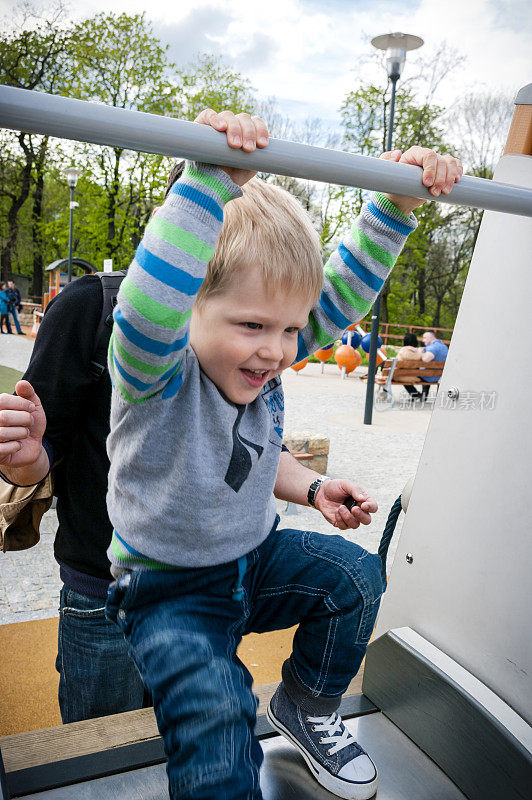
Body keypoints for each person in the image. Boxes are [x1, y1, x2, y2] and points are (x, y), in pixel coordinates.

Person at [99, 108, 462, 800]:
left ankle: (305, 704)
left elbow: (344, 296)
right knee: (216, 720)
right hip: (172, 593)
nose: (276, 349)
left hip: (253, 561)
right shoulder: (156, 374)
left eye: (291, 329)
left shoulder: (265, 362)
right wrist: (209, 182)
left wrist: (393, 204)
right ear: (192, 307)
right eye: (253, 325)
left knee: (355, 579)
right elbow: (146, 311)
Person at [0, 117, 386, 729]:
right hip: (108, 589)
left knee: (198, 737)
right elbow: (46, 452)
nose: (274, 343)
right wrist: (24, 457)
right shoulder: (102, 313)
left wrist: (311, 488)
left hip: (210, 581)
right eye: (206, 202)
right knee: (108, 751)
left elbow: (240, 449)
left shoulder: (246, 338)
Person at [403, 329, 449, 401]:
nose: (423, 340)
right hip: (439, 375)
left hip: (429, 376)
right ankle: (423, 396)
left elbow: (426, 359)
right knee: (425, 370)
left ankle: (415, 394)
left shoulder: (433, 347)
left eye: (424, 338)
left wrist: (421, 351)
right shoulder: (444, 347)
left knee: (403, 375)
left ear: (431, 338)